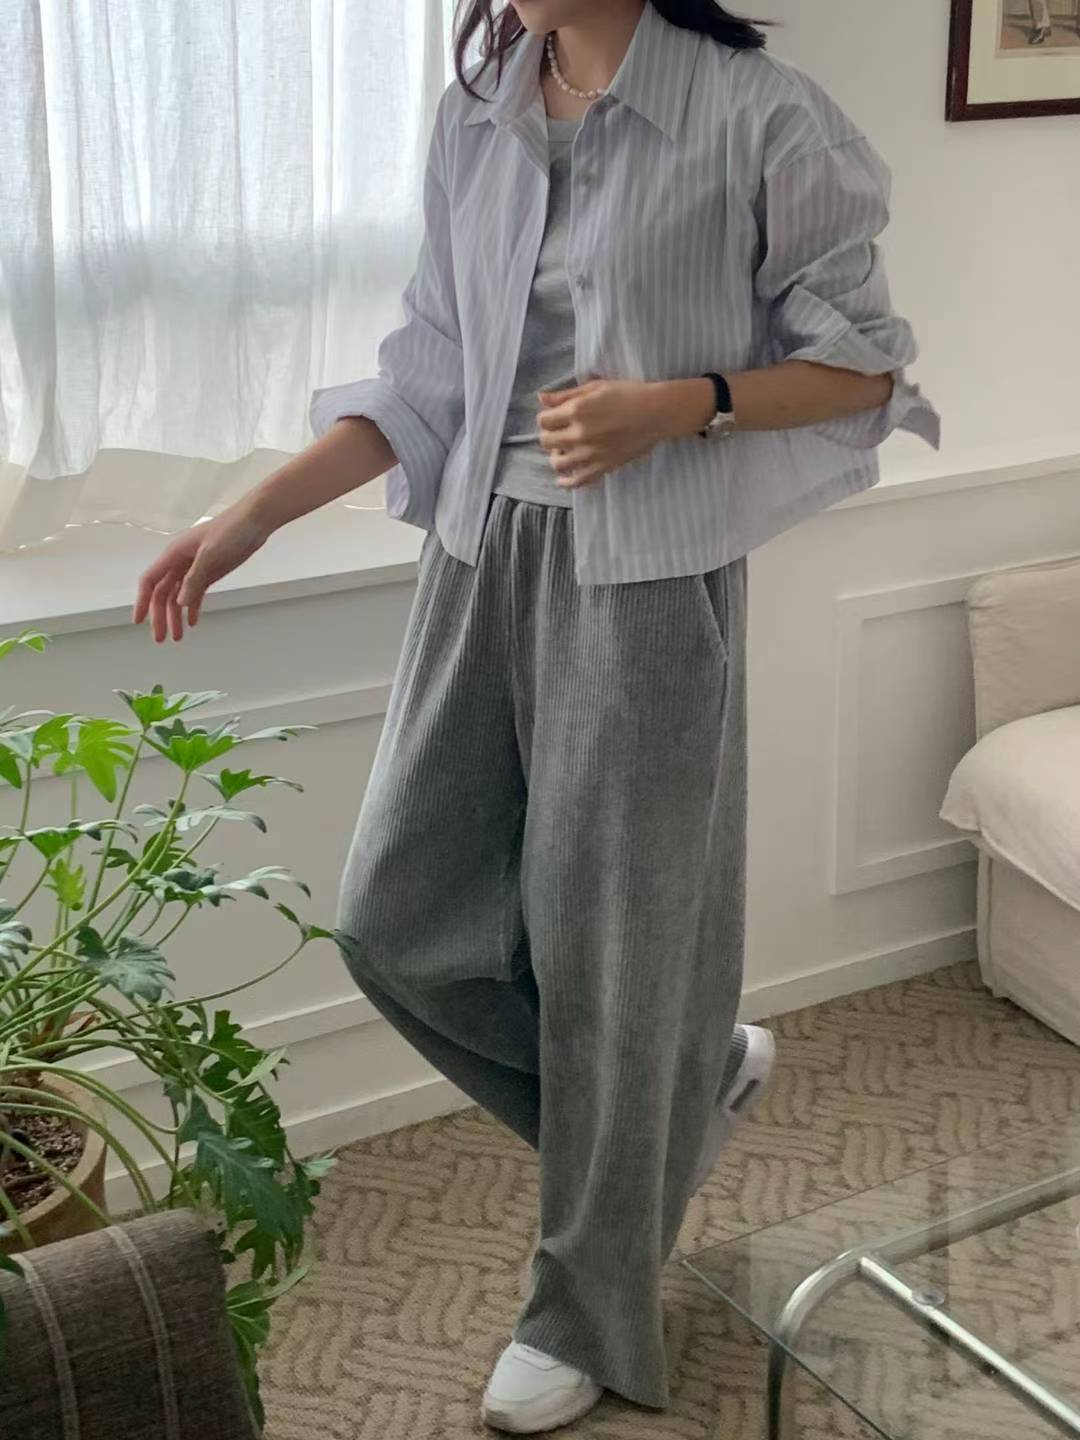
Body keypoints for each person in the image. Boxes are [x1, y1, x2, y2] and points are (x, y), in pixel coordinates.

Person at [133, 1, 940, 1432]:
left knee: (610, 958)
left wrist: (679, 404)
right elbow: (431, 374)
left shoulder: (760, 116)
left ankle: (585, 1303)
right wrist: (249, 515)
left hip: (645, 579)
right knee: (394, 924)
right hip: (476, 559)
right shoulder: (481, 112)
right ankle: (684, 1089)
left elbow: (865, 366)